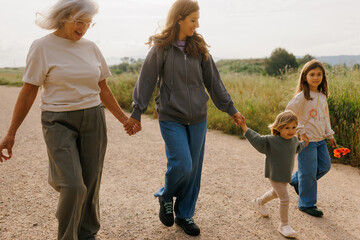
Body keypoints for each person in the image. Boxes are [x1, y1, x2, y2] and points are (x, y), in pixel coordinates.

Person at [0, 0, 137, 239]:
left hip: (93, 118)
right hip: (57, 121)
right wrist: (11, 133)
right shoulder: (42, 47)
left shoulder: (91, 47)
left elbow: (102, 87)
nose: (83, 28)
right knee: (74, 186)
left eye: (88, 23)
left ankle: (87, 234)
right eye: (79, 21)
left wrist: (123, 119)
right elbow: (29, 90)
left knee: (91, 183)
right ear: (63, 17)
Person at [124, 0, 243, 236]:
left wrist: (232, 110)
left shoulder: (198, 48)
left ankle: (185, 214)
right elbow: (146, 80)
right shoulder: (162, 48)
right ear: (179, 18)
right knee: (182, 164)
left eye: (197, 20)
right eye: (193, 20)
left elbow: (214, 83)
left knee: (194, 169)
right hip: (171, 116)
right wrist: (137, 112)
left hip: (198, 116)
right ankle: (166, 195)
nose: (197, 25)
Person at [238, 110, 306, 238]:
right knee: (284, 198)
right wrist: (244, 127)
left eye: (293, 127)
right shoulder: (271, 141)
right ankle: (284, 225)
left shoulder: (294, 140)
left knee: (275, 193)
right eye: (287, 127)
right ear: (279, 128)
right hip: (274, 174)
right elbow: (257, 139)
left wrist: (305, 143)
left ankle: (259, 201)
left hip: (285, 175)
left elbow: (298, 147)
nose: (291, 130)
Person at [286, 59, 337, 217]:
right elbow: (289, 112)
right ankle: (306, 204)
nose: (316, 77)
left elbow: (325, 118)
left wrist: (330, 135)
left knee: (324, 166)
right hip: (306, 141)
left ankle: (296, 180)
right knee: (308, 172)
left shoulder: (322, 96)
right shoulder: (302, 96)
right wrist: (300, 131)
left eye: (319, 74)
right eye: (312, 74)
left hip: (320, 140)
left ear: (323, 77)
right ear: (305, 77)